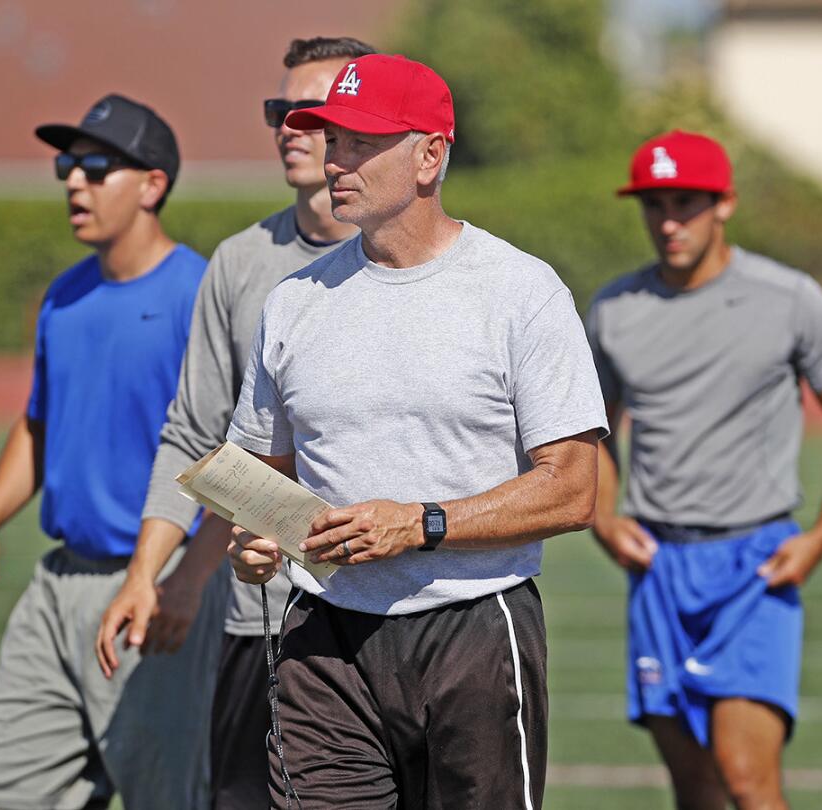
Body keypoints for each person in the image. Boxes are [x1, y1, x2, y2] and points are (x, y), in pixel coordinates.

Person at [224, 53, 607, 809]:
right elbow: (258, 478)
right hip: (320, 637)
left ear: (431, 154)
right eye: (332, 140)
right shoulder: (295, 301)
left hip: (474, 628)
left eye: (362, 142)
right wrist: (255, 538)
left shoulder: (521, 291)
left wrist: (420, 524)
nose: (337, 160)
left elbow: (574, 489)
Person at [93, 35, 378, 810]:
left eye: (307, 111)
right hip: (263, 617)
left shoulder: (415, 261)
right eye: (277, 110)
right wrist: (153, 575)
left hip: (393, 610)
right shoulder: (239, 261)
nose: (287, 124)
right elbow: (196, 435)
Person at [586, 130, 822, 810]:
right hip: (658, 567)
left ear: (725, 204)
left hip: (754, 565)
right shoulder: (612, 310)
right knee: (695, 793)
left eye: (685, 203)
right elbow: (594, 433)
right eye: (653, 204)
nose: (667, 222)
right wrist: (604, 518)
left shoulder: (788, 297)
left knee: (748, 780)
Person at [0, 93, 225, 810]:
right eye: (67, 164)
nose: (74, 180)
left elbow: (232, 458)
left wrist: (189, 579)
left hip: (153, 588)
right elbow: (38, 423)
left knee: (169, 798)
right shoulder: (65, 295)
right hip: (56, 584)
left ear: (153, 185)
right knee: (4, 796)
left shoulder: (198, 297)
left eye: (96, 165)